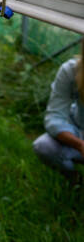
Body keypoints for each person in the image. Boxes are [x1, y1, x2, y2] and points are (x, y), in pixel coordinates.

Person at [32, 40, 84, 182]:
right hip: (79, 131)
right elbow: (55, 116)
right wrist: (79, 144)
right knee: (44, 146)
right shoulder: (71, 70)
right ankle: (75, 181)